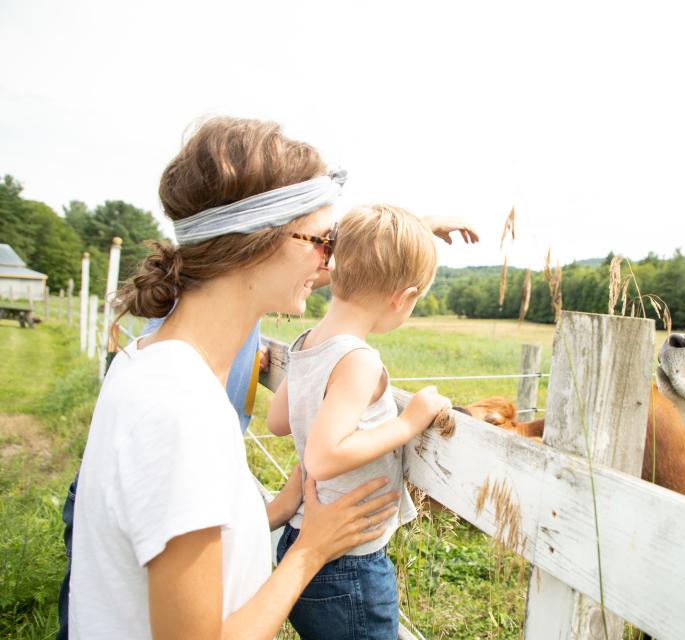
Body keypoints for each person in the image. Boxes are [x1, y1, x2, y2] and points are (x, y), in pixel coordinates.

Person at [68, 117, 404, 639]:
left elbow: (168, 535)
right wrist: (310, 551)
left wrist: (275, 511)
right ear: (263, 242)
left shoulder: (148, 360)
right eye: (323, 239)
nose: (330, 263)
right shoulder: (181, 411)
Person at [266, 204, 450, 639]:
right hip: (349, 562)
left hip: (302, 541)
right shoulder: (358, 360)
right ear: (402, 298)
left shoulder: (310, 342)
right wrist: (407, 424)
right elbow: (325, 457)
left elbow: (277, 420)